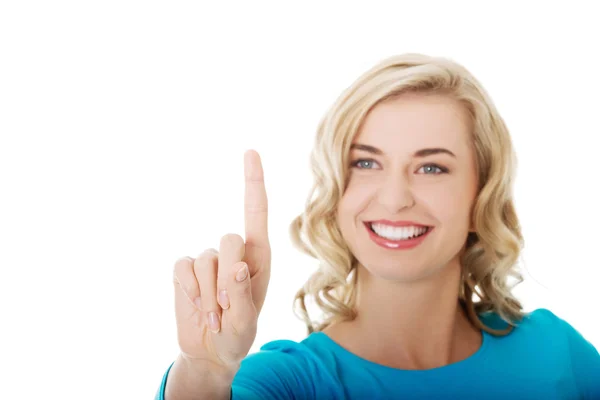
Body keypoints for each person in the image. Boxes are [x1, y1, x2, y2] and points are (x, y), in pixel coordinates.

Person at [155, 53, 600, 399]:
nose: (393, 198)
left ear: (481, 192)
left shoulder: (556, 353)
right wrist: (204, 373)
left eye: (431, 168)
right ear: (337, 191)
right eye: (366, 162)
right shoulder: (292, 381)